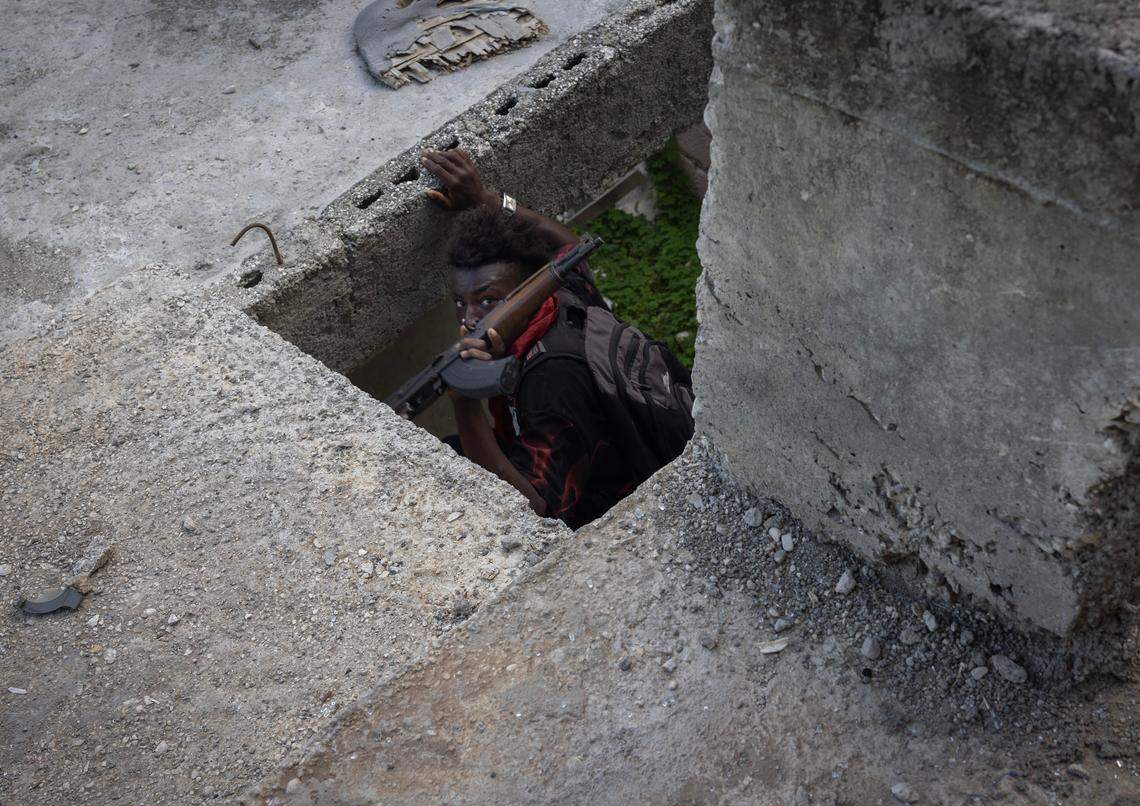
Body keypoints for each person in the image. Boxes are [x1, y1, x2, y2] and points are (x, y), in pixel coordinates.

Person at [421, 148, 691, 528]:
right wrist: (487, 200)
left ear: (524, 290)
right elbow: (569, 245)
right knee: (447, 451)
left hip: (604, 506)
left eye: (487, 300)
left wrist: (465, 405)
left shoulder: (549, 379)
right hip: (598, 440)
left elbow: (532, 508)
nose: (469, 319)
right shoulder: (561, 291)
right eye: (459, 303)